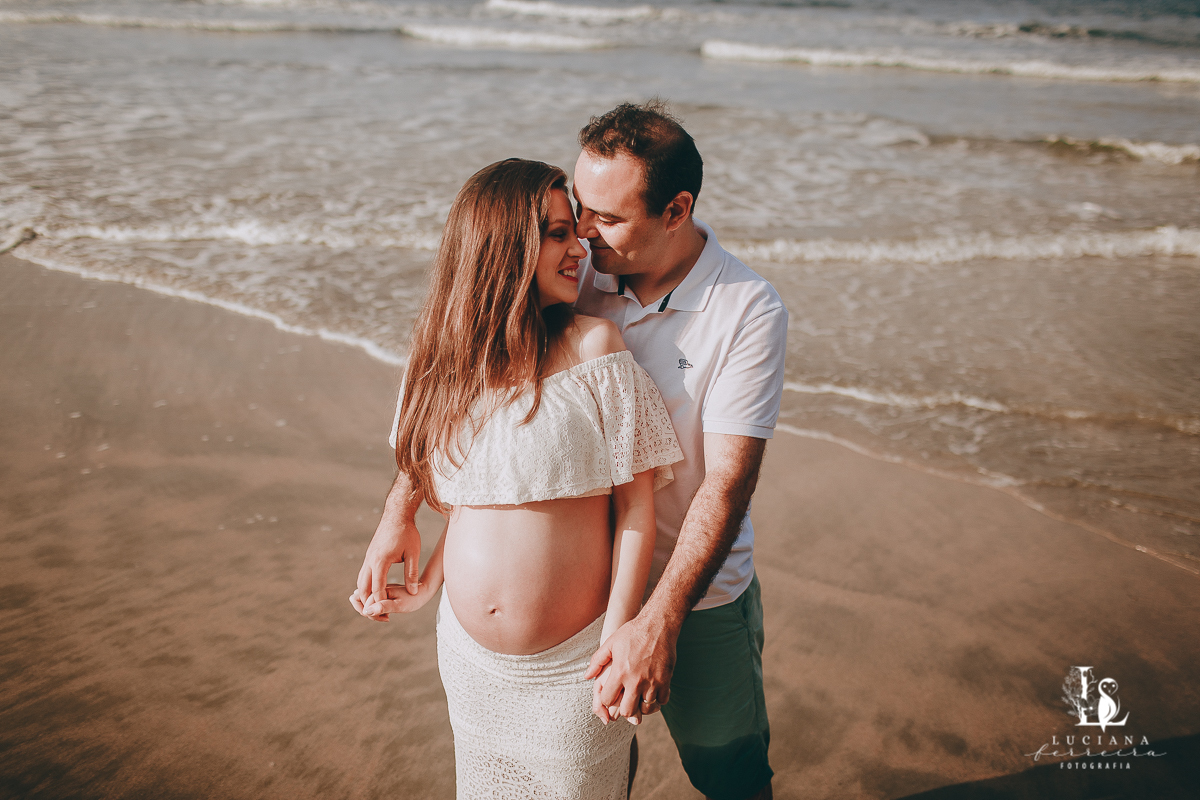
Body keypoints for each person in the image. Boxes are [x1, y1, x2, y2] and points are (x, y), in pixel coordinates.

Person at [349, 158, 684, 799]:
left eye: (574, 233)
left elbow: (635, 509)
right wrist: (421, 583)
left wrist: (619, 635)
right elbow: (479, 496)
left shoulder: (596, 349)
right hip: (471, 663)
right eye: (556, 234)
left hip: (573, 668)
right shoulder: (443, 364)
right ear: (505, 247)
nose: (578, 248)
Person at [572, 102, 788, 800]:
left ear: (676, 209)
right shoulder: (571, 271)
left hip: (692, 599)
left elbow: (726, 484)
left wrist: (659, 622)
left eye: (607, 217)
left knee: (728, 775)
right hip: (579, 588)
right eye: (580, 207)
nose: (582, 232)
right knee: (592, 774)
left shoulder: (747, 309)